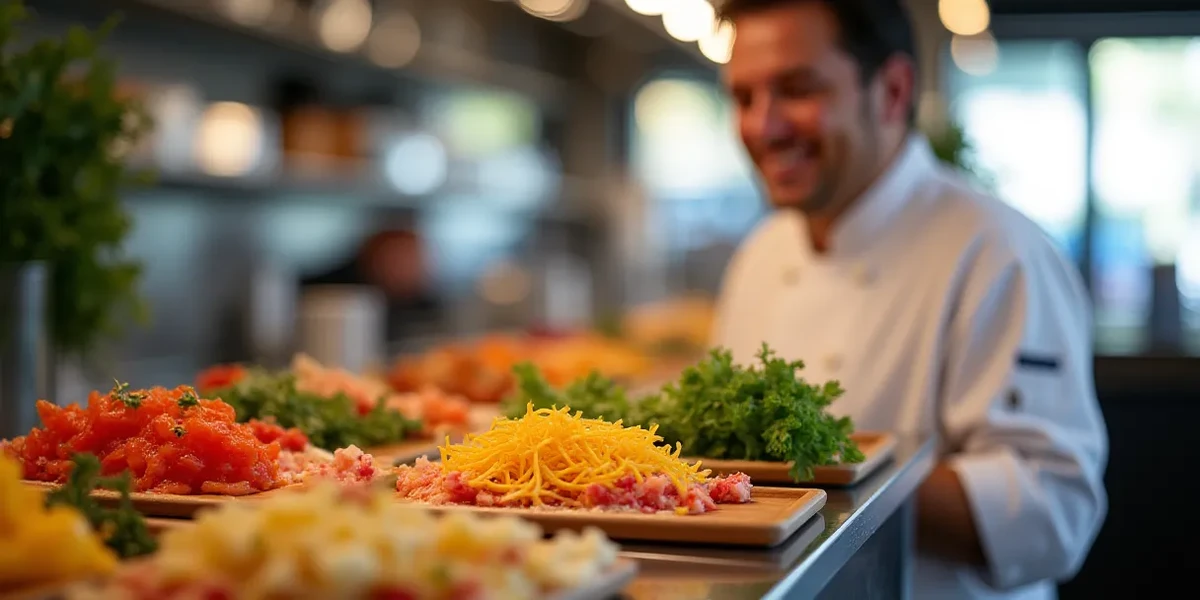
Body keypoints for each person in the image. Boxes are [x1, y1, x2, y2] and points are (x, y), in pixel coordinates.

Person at [709, 1, 1108, 598]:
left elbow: (1052, 514)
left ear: (892, 91)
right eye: (743, 98)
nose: (763, 127)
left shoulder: (999, 252)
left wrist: (816, 475)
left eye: (796, 89)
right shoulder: (759, 255)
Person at [301, 226, 445, 344]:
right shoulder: (334, 292)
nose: (411, 267)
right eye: (399, 257)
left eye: (415, 259)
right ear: (374, 256)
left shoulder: (426, 304)